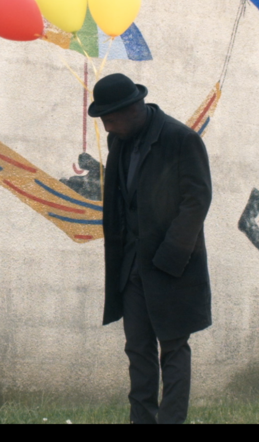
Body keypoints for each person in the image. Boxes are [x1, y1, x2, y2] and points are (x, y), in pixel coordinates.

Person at [87, 73, 212, 424]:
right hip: (131, 268)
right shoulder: (119, 142)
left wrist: (171, 257)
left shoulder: (180, 139)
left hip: (171, 265)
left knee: (173, 348)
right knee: (138, 350)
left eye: (110, 118)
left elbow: (197, 200)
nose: (107, 127)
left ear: (133, 108)